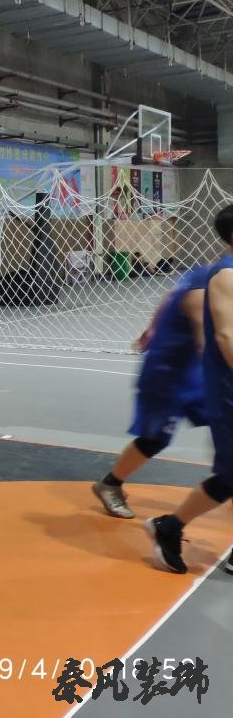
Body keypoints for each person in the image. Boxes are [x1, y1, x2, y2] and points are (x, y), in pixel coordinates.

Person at [147, 204, 233, 574]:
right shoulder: (226, 275)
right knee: (229, 477)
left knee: (230, 478)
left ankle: (170, 527)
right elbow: (226, 336)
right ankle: (169, 527)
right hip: (228, 390)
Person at [92, 266, 208, 519]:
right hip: (167, 375)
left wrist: (152, 327)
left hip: (191, 371)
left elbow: (170, 296)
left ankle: (226, 480)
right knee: (155, 439)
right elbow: (206, 336)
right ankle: (110, 484)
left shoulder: (206, 273)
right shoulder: (209, 281)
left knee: (224, 420)